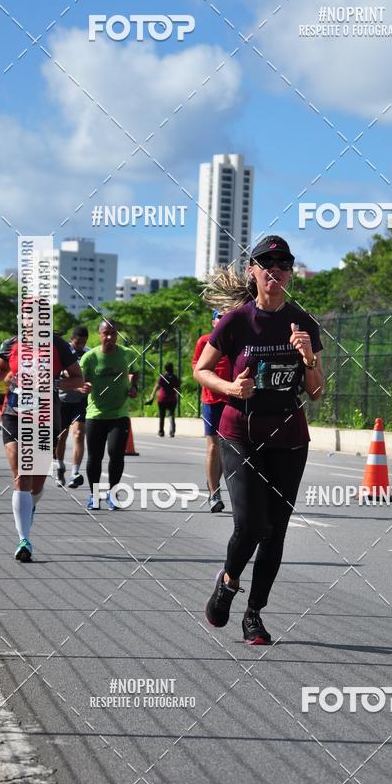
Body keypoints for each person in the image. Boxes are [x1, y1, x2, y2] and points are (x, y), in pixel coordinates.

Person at [194, 235, 324, 645]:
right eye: (266, 263)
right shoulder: (237, 321)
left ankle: (254, 614)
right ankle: (229, 581)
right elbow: (202, 369)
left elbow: (316, 391)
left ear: (290, 274)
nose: (275, 270)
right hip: (241, 434)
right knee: (251, 524)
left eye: (283, 264)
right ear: (253, 271)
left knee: (276, 531)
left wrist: (309, 359)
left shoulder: (303, 321)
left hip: (288, 437)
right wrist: (230, 388)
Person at [0, 318, 83, 561]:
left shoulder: (58, 345)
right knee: (22, 475)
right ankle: (24, 540)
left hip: (45, 417)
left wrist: (54, 382)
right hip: (14, 414)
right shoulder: (11, 343)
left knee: (37, 482)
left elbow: (78, 378)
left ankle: (29, 506)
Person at [79, 318, 139, 510]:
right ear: (99, 334)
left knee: (116, 454)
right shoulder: (90, 358)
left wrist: (133, 386)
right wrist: (84, 387)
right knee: (95, 457)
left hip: (119, 415)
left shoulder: (127, 354)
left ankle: (113, 494)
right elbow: (81, 380)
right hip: (95, 415)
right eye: (106, 333)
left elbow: (135, 371)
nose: (110, 337)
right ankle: (94, 495)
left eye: (113, 333)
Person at [192, 311, 232, 512]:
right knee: (213, 447)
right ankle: (214, 494)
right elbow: (196, 367)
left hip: (232, 400)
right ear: (213, 321)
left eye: (227, 316)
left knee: (228, 450)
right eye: (219, 316)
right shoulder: (204, 341)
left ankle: (213, 483)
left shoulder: (236, 340)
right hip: (211, 401)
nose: (223, 319)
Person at [54, 325, 89, 488]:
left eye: (83, 342)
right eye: (78, 342)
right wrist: (74, 385)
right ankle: (60, 466)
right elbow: (59, 378)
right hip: (63, 400)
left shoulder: (89, 353)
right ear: (71, 339)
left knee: (79, 434)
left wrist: (88, 386)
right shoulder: (63, 351)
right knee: (61, 437)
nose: (80, 345)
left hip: (80, 401)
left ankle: (75, 472)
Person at [148, 362, 180, 437]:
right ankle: (172, 432)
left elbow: (157, 386)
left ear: (165, 368)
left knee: (162, 416)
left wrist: (152, 394)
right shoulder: (175, 377)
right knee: (171, 415)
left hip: (162, 399)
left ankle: (161, 432)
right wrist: (177, 397)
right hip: (172, 399)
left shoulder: (162, 376)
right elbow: (177, 389)